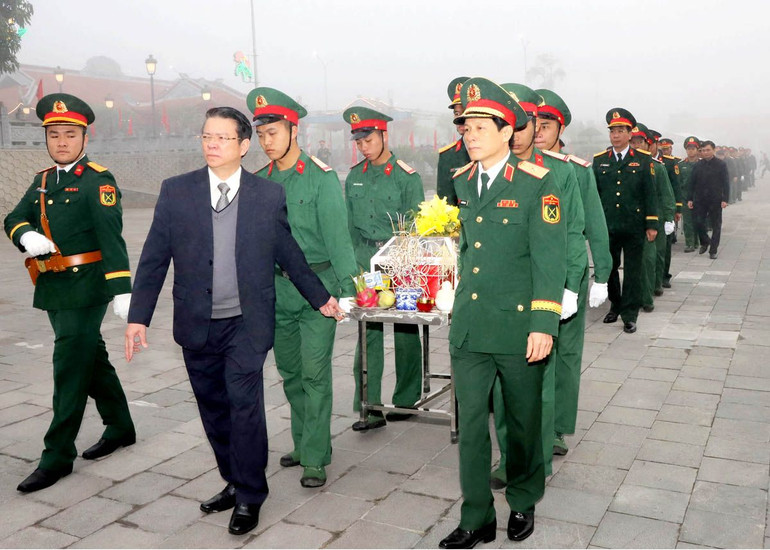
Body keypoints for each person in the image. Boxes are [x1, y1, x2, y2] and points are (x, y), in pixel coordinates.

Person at [125, 106, 344, 536]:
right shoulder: (176, 191)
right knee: (213, 409)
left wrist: (321, 298)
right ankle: (232, 478)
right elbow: (153, 259)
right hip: (197, 322)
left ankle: (250, 494)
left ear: (243, 146)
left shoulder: (266, 195)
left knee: (244, 408)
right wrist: (138, 317)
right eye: (207, 136)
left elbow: (289, 253)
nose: (212, 144)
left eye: (223, 138)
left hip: (247, 323)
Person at [439, 77, 566, 548]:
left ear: (506, 131)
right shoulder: (461, 181)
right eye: (465, 127)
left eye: (479, 127)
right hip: (471, 328)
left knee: (523, 423)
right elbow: (469, 250)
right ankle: (476, 516)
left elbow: (548, 259)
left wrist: (544, 324)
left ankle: (523, 499)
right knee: (471, 427)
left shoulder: (537, 183)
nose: (469, 135)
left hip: (517, 328)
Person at [3, 94, 136, 493]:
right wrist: (26, 235)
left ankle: (57, 456)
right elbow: (13, 217)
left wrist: (122, 291)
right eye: (55, 134)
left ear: (84, 138)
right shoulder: (43, 181)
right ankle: (120, 426)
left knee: (68, 370)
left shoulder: (97, 180)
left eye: (70, 134)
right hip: (53, 285)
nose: (61, 142)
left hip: (87, 286)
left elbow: (112, 238)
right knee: (89, 359)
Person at [251, 87, 358, 488]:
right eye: (261, 135)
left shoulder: (320, 178)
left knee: (314, 374)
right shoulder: (259, 181)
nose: (266, 142)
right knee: (291, 373)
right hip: (277, 291)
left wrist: (348, 289)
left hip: (319, 291)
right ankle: (303, 441)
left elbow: (338, 238)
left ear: (293, 130)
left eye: (273, 132)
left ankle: (314, 456)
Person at [490, 82, 585, 486]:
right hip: (502, 292)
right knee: (502, 382)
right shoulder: (491, 170)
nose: (515, 134)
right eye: (507, 125)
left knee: (539, 379)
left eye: (522, 125)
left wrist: (569, 287)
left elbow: (573, 233)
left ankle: (537, 460)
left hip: (542, 289)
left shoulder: (560, 173)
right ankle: (509, 457)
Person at [535, 88, 612, 456]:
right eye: (532, 123)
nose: (538, 131)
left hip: (569, 272)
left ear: (560, 128)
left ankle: (557, 427)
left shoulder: (576, 171)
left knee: (564, 353)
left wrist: (602, 275)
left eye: (546, 125)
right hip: (532, 274)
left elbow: (594, 223)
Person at [342, 105, 424, 431]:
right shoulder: (355, 177)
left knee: (405, 329)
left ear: (383, 135)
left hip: (399, 260)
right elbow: (350, 226)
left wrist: (406, 266)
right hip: (367, 261)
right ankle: (370, 405)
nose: (364, 147)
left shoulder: (407, 177)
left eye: (369, 140)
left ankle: (407, 399)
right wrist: (353, 267)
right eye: (359, 142)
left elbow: (416, 228)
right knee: (368, 331)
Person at [593, 108, 658, 334]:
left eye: (621, 131)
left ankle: (630, 314)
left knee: (633, 271)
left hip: (633, 225)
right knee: (609, 268)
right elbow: (594, 195)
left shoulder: (643, 159)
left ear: (630, 134)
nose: (616, 135)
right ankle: (615, 305)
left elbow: (650, 193)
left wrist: (652, 224)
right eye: (613, 131)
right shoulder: (600, 160)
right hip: (608, 225)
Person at [630, 125, 675, 312]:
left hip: (655, 218)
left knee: (653, 257)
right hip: (632, 220)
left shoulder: (657, 168)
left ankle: (652, 290)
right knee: (637, 262)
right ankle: (641, 295)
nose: (635, 145)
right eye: (632, 142)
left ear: (648, 144)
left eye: (639, 142)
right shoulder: (624, 167)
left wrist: (669, 217)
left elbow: (667, 194)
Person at [687, 140, 729, 260]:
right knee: (698, 222)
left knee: (716, 225)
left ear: (713, 150)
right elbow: (692, 183)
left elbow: (726, 183)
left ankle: (713, 250)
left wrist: (725, 199)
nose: (705, 152)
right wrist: (690, 198)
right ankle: (705, 241)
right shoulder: (698, 165)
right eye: (703, 150)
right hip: (700, 199)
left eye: (708, 150)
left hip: (715, 199)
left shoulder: (721, 164)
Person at [436, 76, 471, 205]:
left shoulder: (492, 150)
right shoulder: (447, 156)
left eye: (465, 113)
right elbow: (445, 202)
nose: (460, 119)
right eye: (457, 114)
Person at [678, 136, 701, 252]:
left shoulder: (702, 164)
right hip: (685, 197)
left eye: (693, 149)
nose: (690, 151)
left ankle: (696, 242)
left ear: (697, 150)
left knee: (698, 220)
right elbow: (678, 182)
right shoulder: (681, 165)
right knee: (687, 221)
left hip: (699, 197)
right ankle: (689, 243)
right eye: (688, 149)